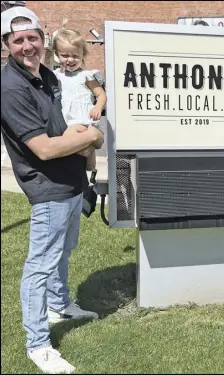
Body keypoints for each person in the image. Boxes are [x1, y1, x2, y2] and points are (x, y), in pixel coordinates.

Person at [1, 7, 104, 373]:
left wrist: (82, 145)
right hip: (48, 188)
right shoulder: (11, 88)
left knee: (65, 249)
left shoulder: (47, 76)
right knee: (39, 265)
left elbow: (60, 128)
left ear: (43, 39)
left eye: (33, 38)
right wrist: (91, 138)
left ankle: (60, 305)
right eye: (18, 40)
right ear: (6, 45)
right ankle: (38, 344)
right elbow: (44, 148)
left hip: (72, 180)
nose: (27, 46)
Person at [52, 19, 107, 172]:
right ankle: (86, 165)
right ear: (57, 55)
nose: (70, 60)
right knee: (75, 153)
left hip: (82, 119)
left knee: (76, 146)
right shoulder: (55, 76)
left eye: (75, 56)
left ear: (83, 54)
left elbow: (101, 94)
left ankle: (91, 166)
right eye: (65, 55)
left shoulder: (86, 76)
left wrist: (98, 107)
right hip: (65, 119)